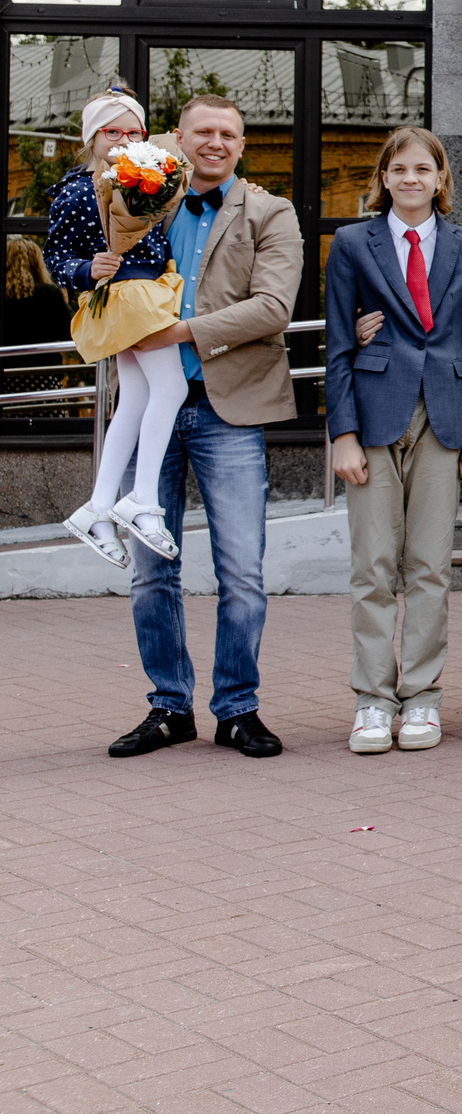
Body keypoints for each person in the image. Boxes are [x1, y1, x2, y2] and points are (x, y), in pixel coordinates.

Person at [105, 94, 301, 762]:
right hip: (145, 411)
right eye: (203, 131)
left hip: (229, 409)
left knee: (242, 571)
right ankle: (168, 706)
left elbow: (273, 307)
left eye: (228, 132)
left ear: (242, 144)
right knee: (150, 572)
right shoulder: (139, 199)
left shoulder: (272, 212)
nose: (215, 141)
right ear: (178, 138)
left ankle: (237, 708)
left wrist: (182, 331)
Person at [324, 127, 462, 756]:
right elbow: (339, 345)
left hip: (444, 420)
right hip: (371, 417)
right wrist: (342, 434)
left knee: (430, 566)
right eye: (401, 169)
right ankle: (371, 700)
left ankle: (421, 698)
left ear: (441, 178)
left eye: (425, 168)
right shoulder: (352, 244)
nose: (412, 178)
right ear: (384, 177)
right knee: (372, 567)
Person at [51, 87, 183, 565]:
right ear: (92, 137)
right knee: (171, 389)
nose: (123, 139)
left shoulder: (149, 178)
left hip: (148, 290)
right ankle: (142, 499)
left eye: (133, 131)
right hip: (125, 296)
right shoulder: (75, 190)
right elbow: (56, 258)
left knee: (138, 398)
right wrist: (88, 269)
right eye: (113, 131)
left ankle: (99, 505)